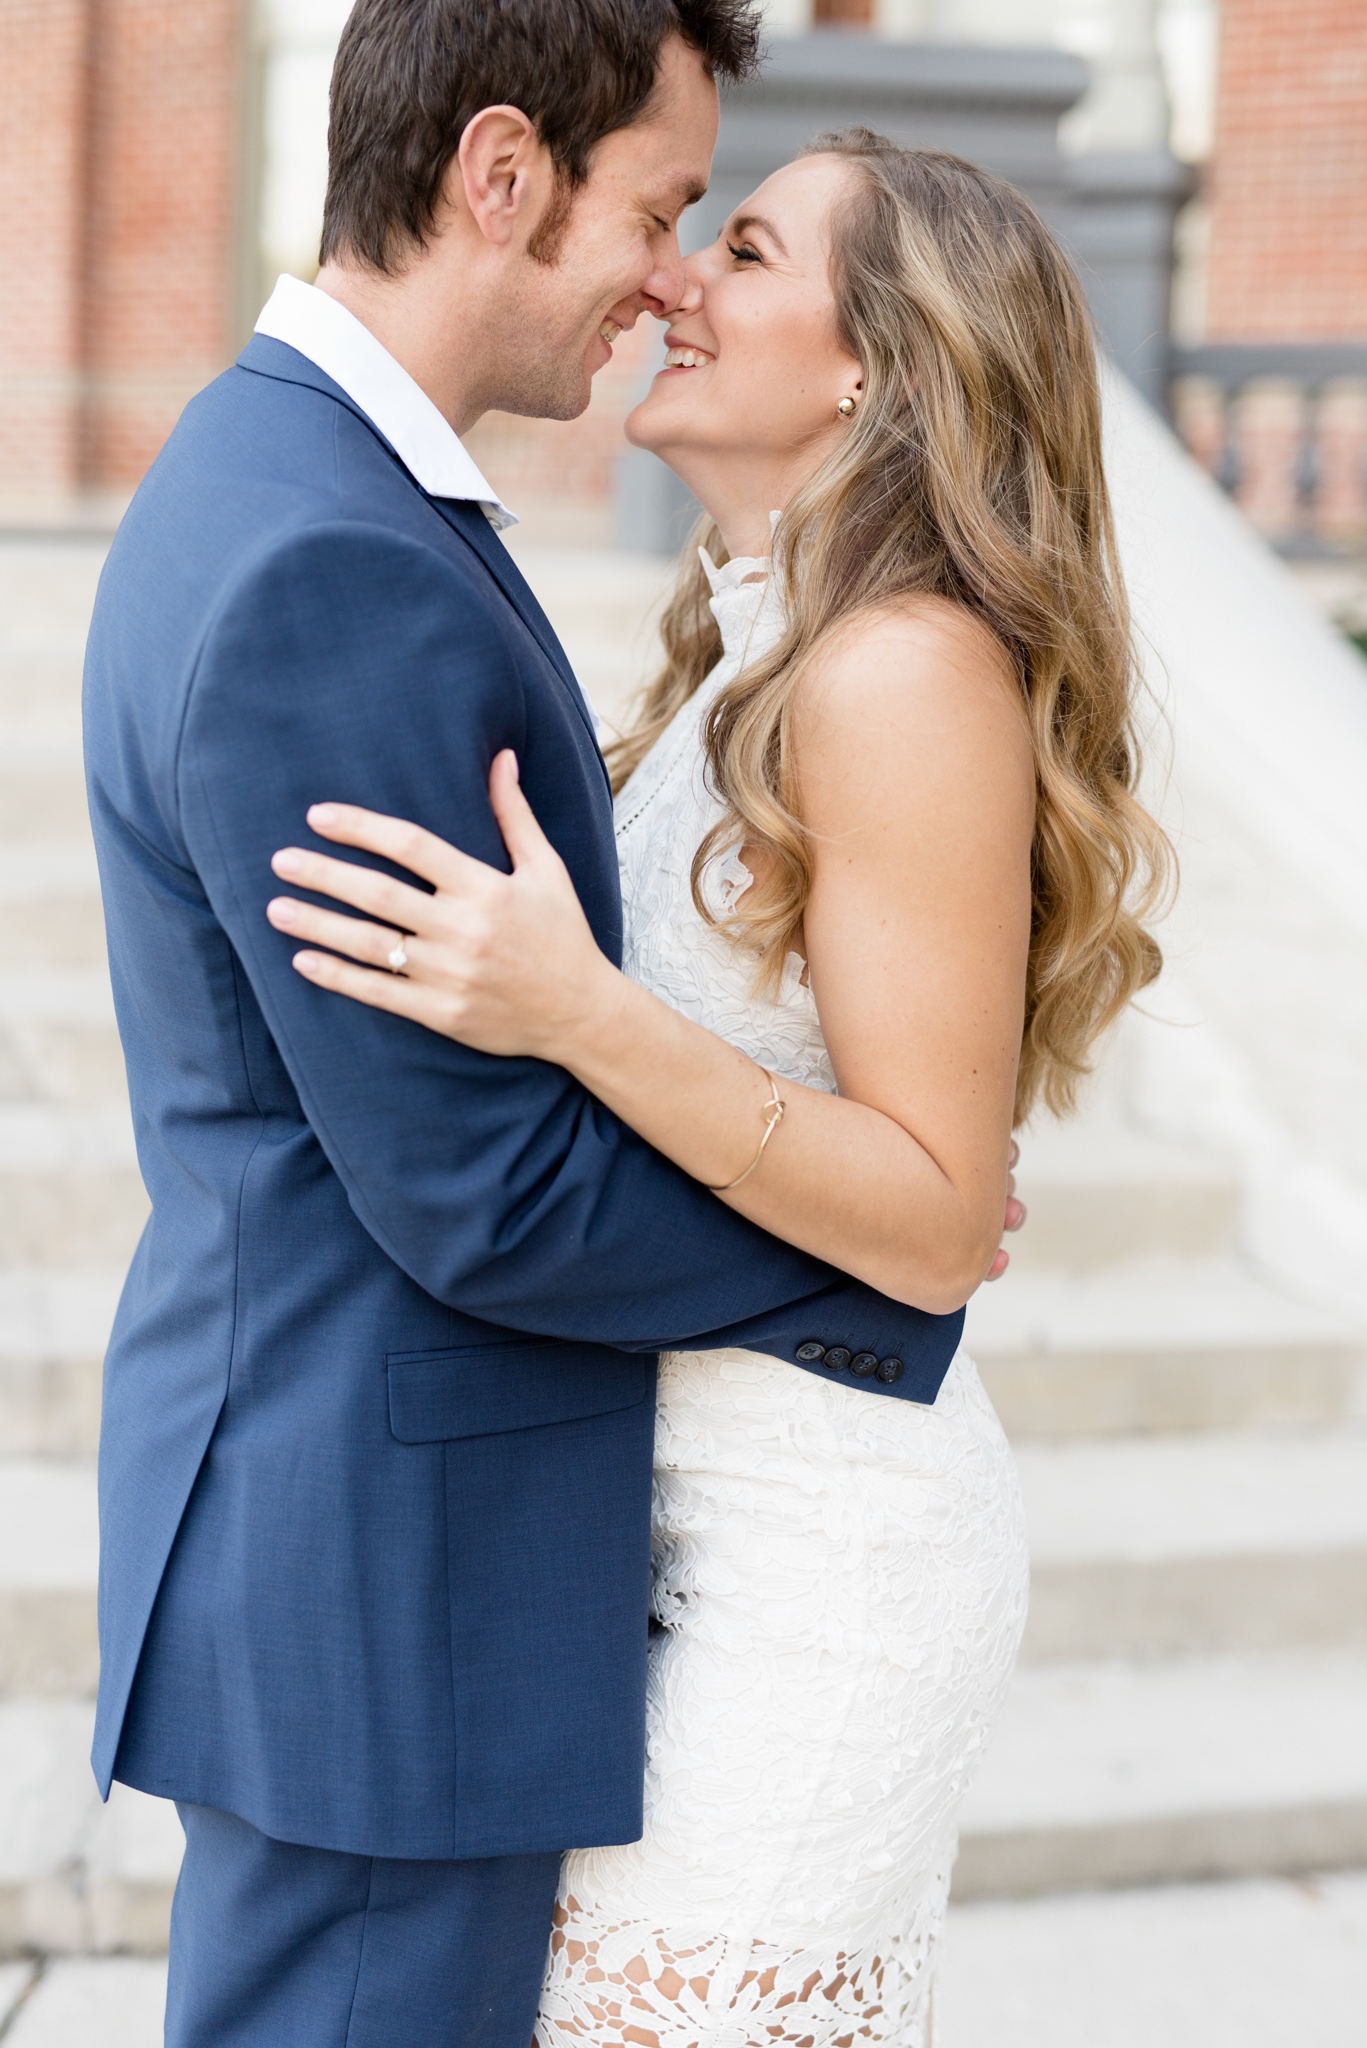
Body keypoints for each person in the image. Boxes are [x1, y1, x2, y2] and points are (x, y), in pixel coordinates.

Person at [82, 7, 1025, 2045]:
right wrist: (895, 1255)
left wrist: (915, 1201)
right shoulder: (343, 556)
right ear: (502, 173)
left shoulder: (304, 488)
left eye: (729, 238)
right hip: (388, 1569)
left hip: (532, 1564)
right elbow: (482, 1191)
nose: (670, 273)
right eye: (668, 208)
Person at [265, 133, 1171, 2043]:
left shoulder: (903, 673)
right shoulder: (756, 657)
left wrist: (582, 1012)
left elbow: (932, 1220)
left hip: (824, 1556)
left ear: (874, 365)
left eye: (740, 248)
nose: (672, 278)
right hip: (672, 1538)